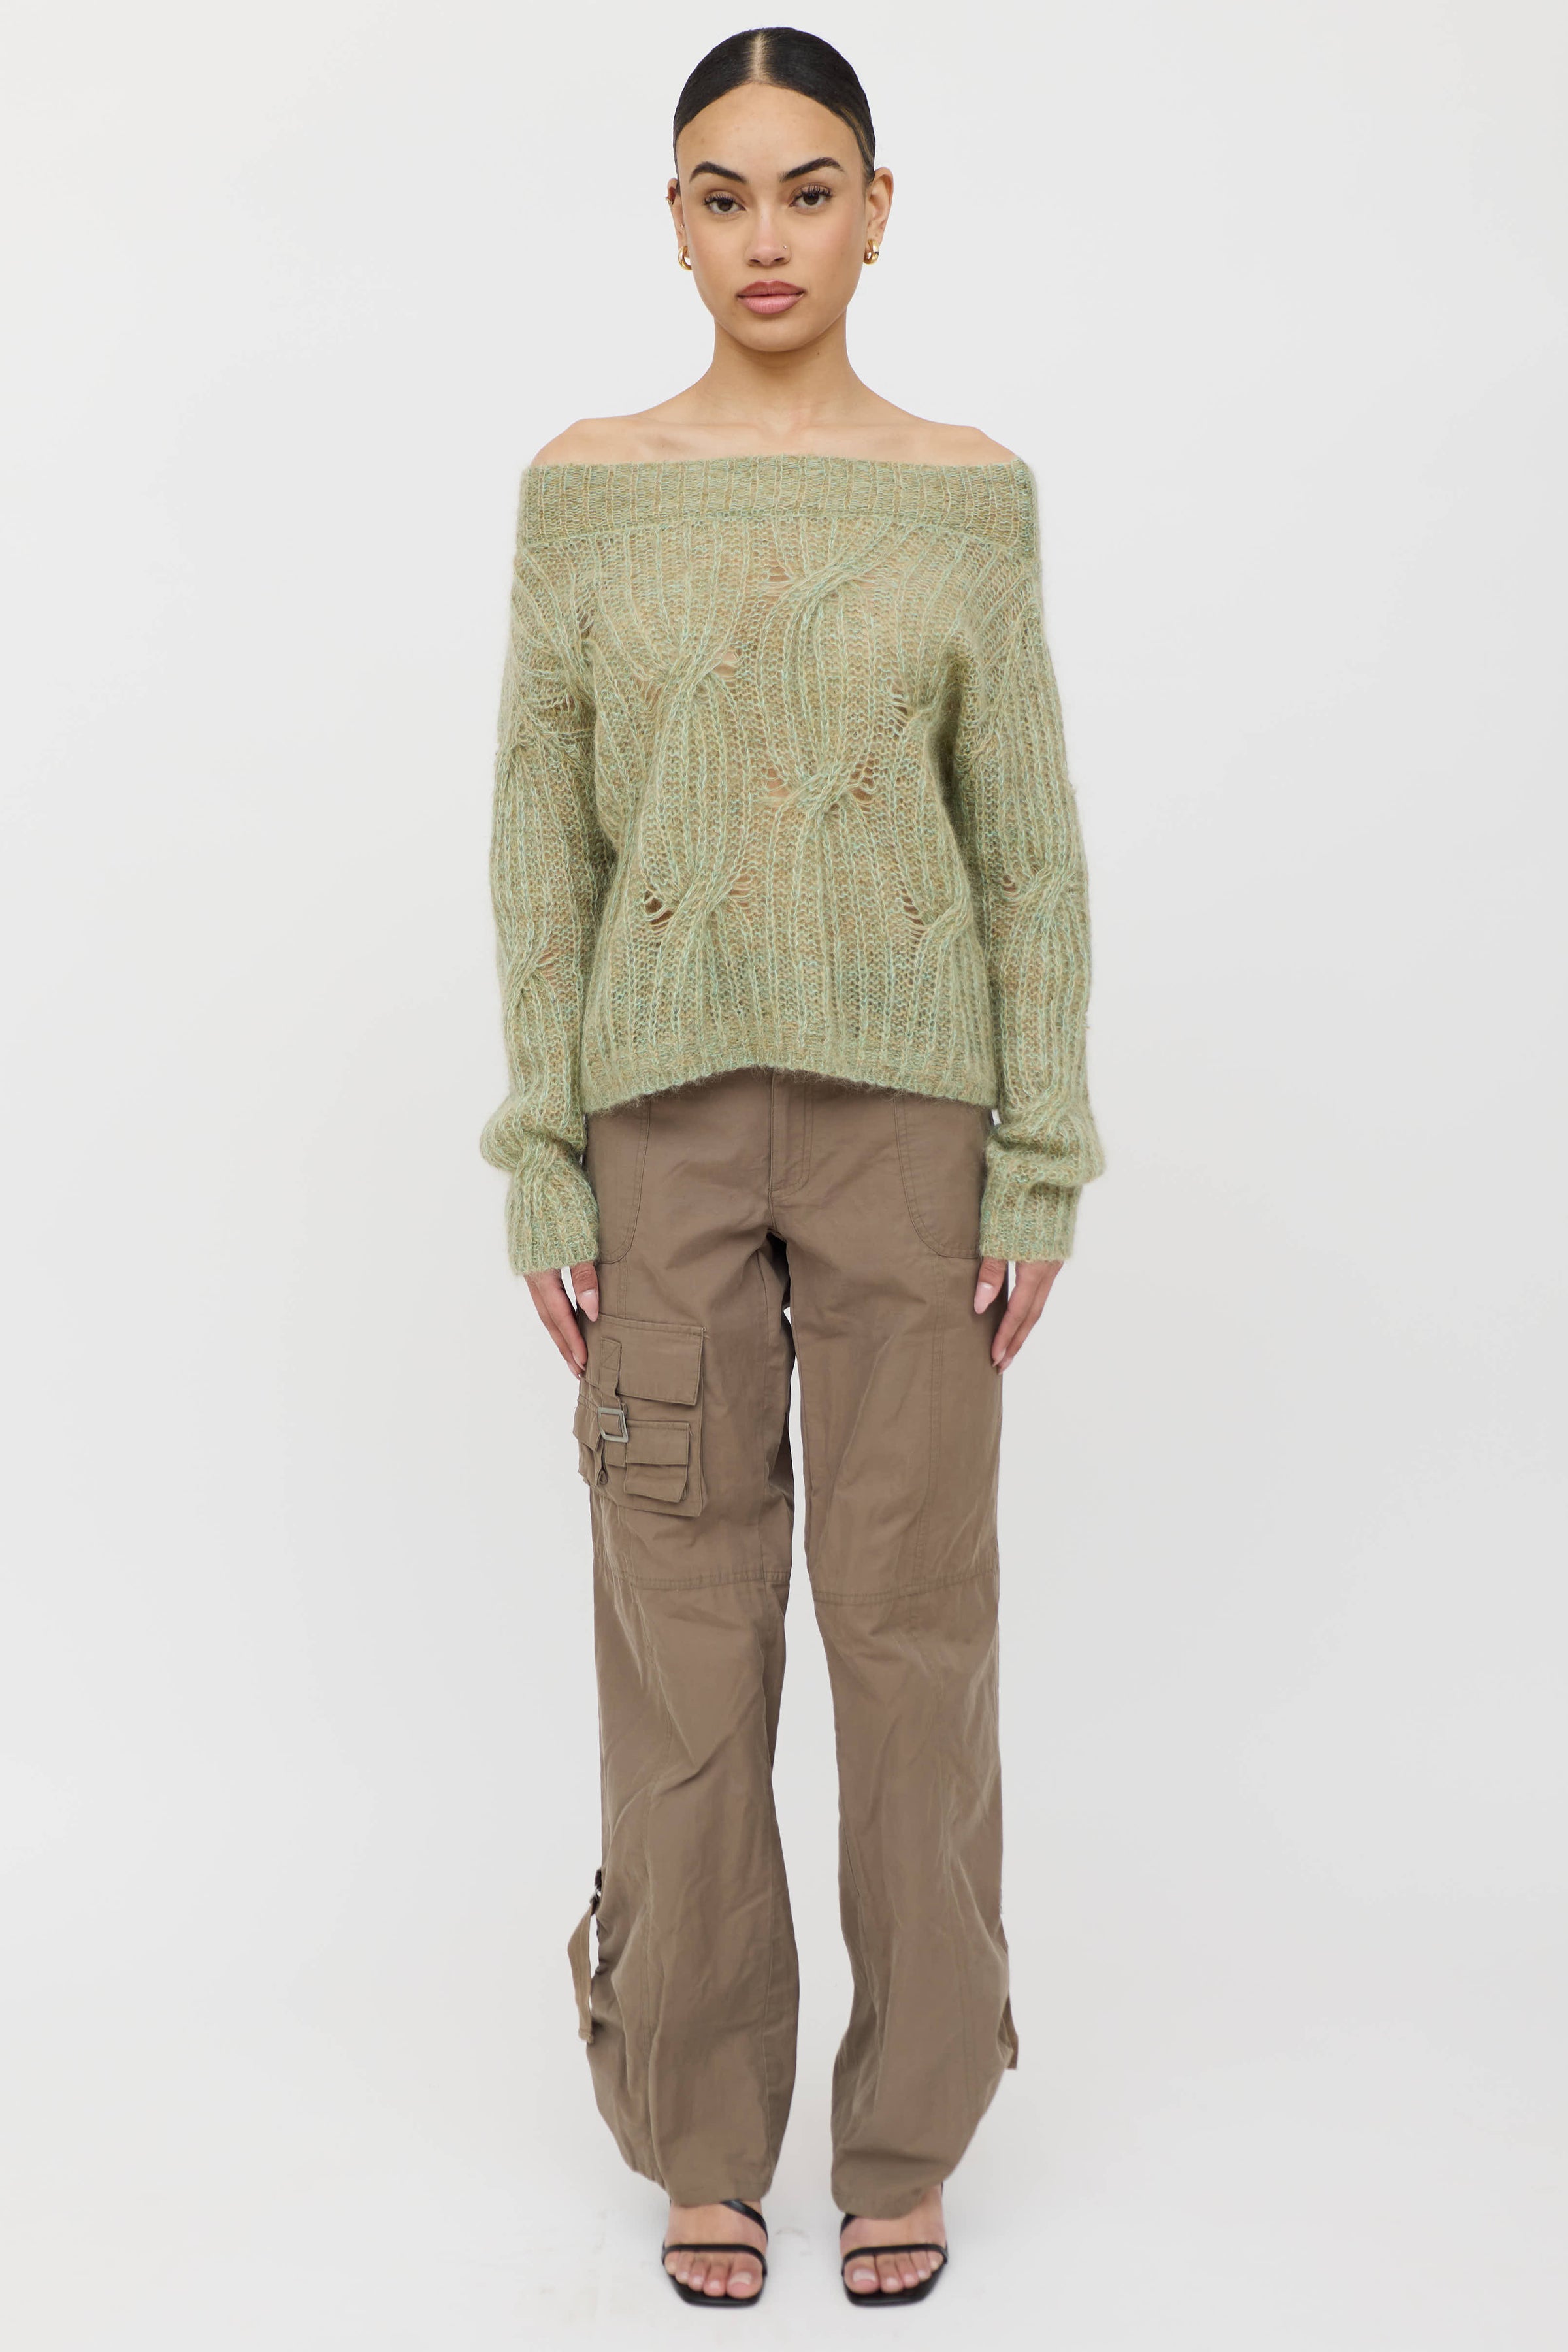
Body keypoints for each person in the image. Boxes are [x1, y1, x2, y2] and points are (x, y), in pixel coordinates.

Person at [480, 24, 1105, 2309]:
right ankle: (700, 2129)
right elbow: (540, 840)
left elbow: (1023, 843)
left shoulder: (965, 495)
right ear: (672, 222)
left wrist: (1039, 1162)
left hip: (909, 1128)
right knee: (683, 1637)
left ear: (876, 210)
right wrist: (543, 1161)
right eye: (725, 194)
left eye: (809, 189)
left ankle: (910, 2127)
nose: (769, 236)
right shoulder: (586, 491)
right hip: (653, 1132)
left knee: (913, 1630)